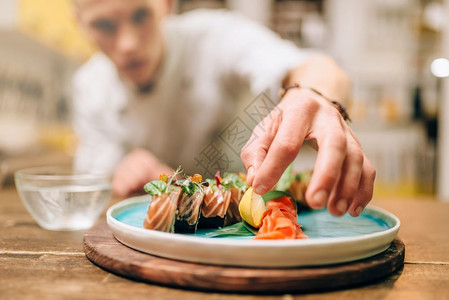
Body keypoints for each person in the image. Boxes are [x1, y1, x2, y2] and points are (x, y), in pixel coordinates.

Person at [73, 0, 375, 217]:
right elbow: (95, 178)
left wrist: (313, 95)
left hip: (244, 218)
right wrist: (123, 168)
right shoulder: (88, 86)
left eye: (140, 15)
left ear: (166, 4)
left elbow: (318, 67)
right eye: (104, 25)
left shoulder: (213, 36)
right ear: (81, 25)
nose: (127, 44)